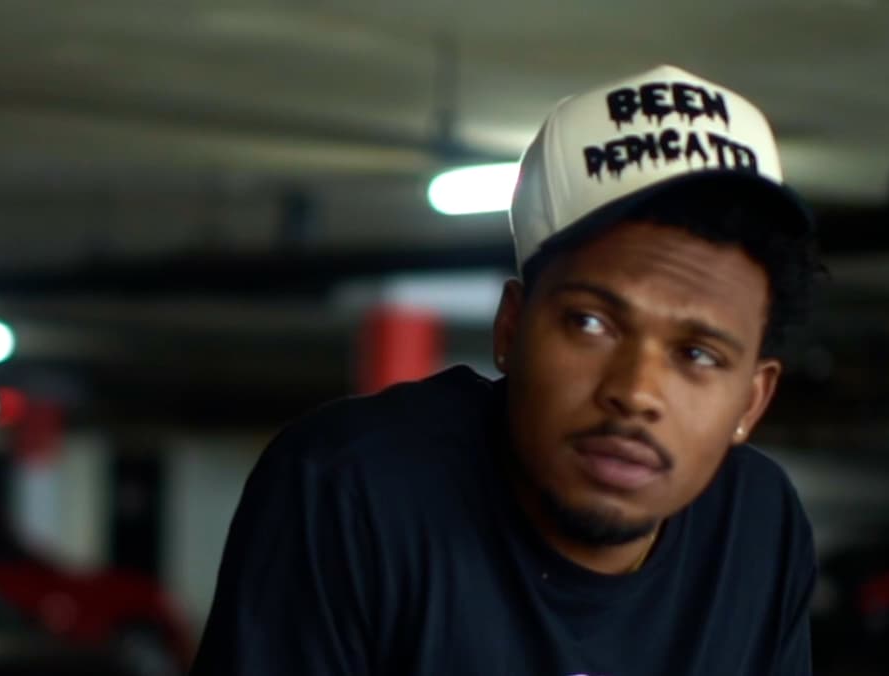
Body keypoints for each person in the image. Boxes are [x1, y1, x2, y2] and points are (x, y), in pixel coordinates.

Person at [193, 65, 825, 675]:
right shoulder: (355, 490)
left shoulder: (757, 529)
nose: (636, 392)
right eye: (590, 322)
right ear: (511, 330)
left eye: (698, 355)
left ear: (751, 401)